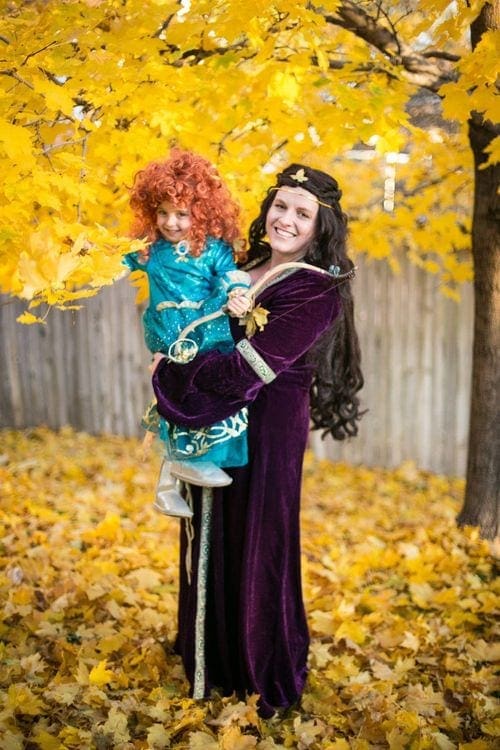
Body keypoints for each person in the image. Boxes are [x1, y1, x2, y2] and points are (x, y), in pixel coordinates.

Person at [150, 163, 364, 717]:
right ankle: (210, 658)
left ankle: (257, 666)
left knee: (257, 536)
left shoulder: (316, 291)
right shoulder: (242, 268)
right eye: (281, 205)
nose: (286, 220)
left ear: (322, 227)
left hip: (268, 428)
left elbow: (247, 368)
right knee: (208, 526)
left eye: (303, 213)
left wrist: (169, 379)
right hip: (213, 421)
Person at [123, 149, 251, 519]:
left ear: (203, 212)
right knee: (175, 408)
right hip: (171, 342)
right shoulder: (150, 251)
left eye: (182, 213)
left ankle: (179, 478)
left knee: (204, 403)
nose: (171, 222)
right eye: (162, 212)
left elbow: (230, 275)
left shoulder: (213, 250)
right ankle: (174, 479)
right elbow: (113, 256)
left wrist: (236, 293)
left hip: (207, 338)